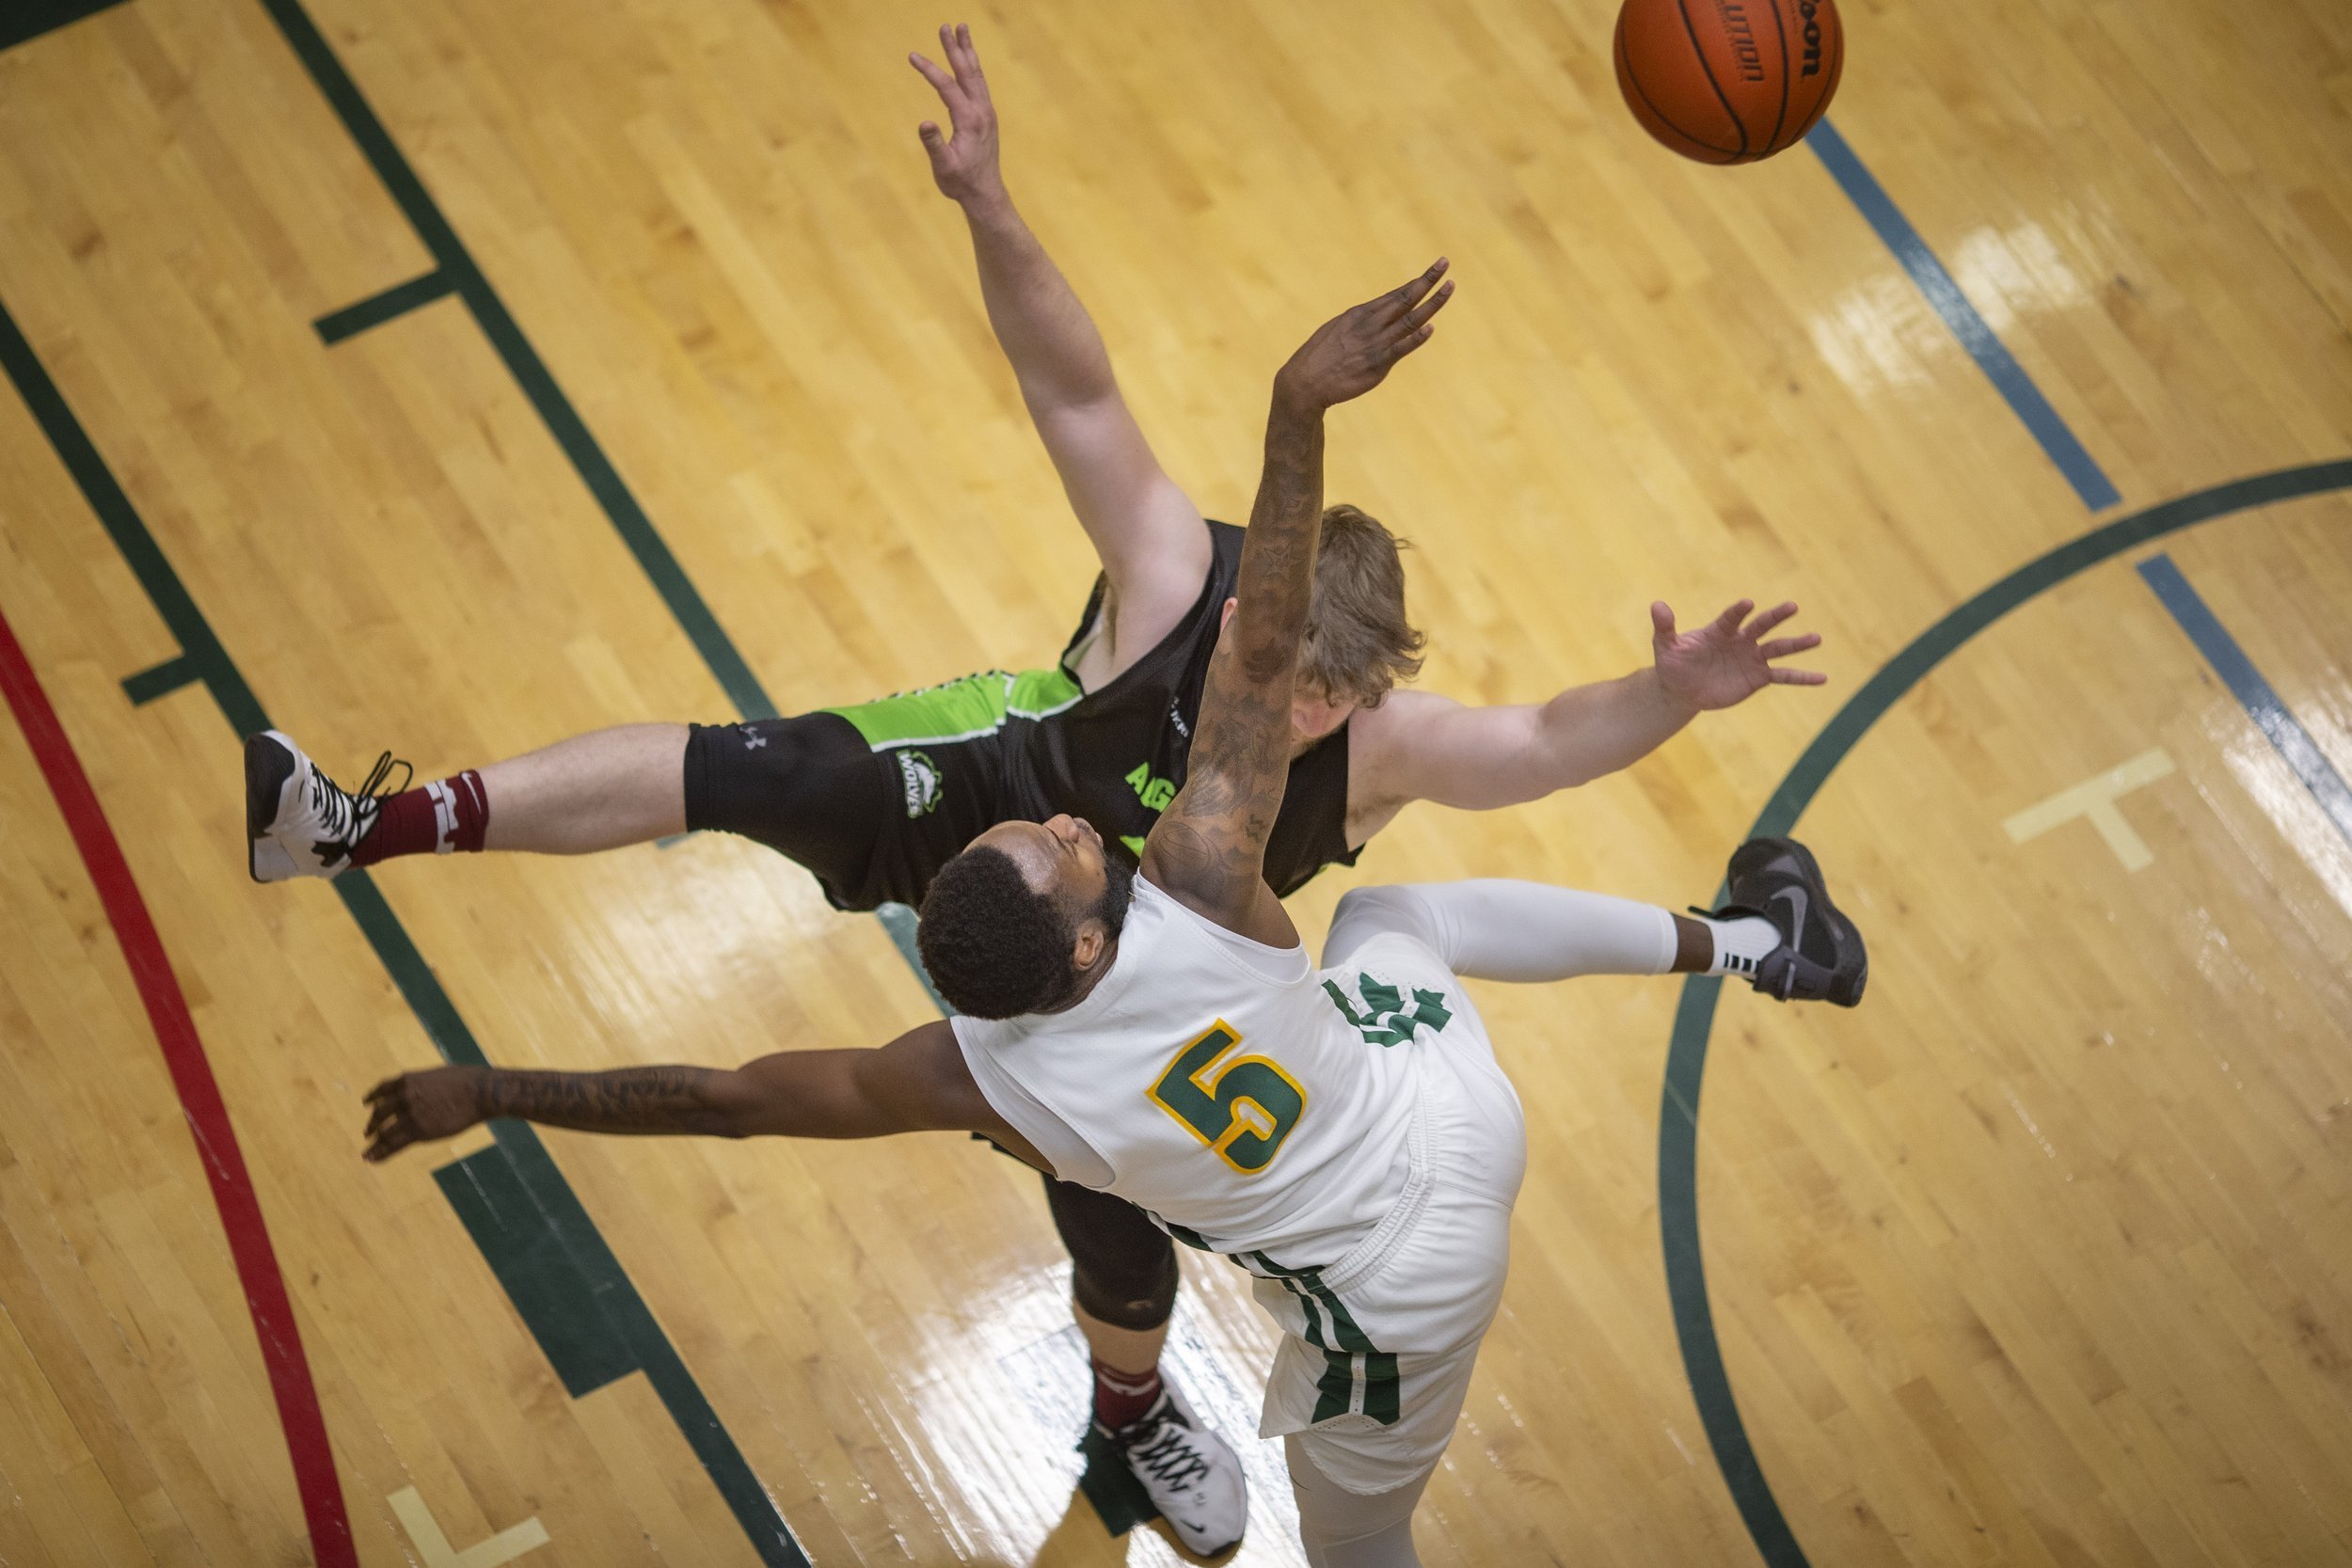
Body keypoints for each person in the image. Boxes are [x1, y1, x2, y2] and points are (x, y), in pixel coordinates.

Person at [265, 20, 1827, 1543]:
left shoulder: (1028, 1041)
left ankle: (1136, 1410)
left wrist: (1666, 693)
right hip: (1287, 1062)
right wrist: (1013, 225)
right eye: (1288, 680)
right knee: (774, 774)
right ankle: (367, 826)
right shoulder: (1194, 767)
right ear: (1242, 652)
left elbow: (1549, 741)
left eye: (1335, 696)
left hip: (1267, 1141)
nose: (1303, 708)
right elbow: (1076, 398)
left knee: (1129, 1249)